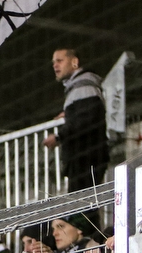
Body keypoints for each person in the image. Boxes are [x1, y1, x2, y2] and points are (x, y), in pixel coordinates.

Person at [42, 48, 109, 191]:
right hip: (86, 157)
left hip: (85, 158)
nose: (55, 65)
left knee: (82, 209)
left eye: (59, 61)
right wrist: (69, 113)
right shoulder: (82, 87)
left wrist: (59, 136)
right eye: (53, 62)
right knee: (83, 209)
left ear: (74, 62)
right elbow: (86, 113)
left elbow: (86, 119)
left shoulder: (83, 86)